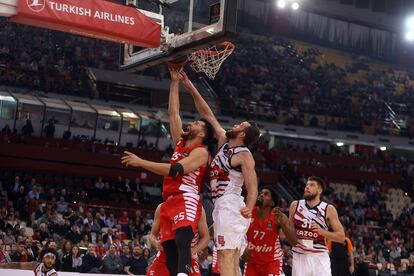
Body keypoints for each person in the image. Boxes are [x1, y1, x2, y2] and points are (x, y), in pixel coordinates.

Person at [121, 68, 214, 276]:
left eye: (197, 123)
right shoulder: (180, 145)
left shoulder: (201, 152)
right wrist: (174, 82)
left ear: (201, 134)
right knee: (170, 251)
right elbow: (173, 113)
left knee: (183, 240)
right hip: (169, 201)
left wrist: (140, 162)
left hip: (186, 198)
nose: (192, 122)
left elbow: (175, 170)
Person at [182, 71, 260, 276]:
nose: (235, 125)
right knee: (232, 259)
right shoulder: (224, 141)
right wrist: (190, 87)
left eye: (240, 125)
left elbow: (252, 186)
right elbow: (207, 114)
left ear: (242, 134)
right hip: (222, 206)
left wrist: (250, 207)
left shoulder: (244, 154)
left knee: (226, 256)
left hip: (231, 204)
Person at [289, 176, 345, 276]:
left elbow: (341, 237)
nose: (307, 187)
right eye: (306, 185)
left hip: (319, 256)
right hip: (299, 256)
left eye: (311, 185)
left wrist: (321, 231)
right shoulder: (295, 205)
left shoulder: (328, 209)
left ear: (319, 190)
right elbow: (287, 232)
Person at [243, 186, 298, 276]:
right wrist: (242, 246)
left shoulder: (277, 216)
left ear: (272, 203)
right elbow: (236, 231)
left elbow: (294, 241)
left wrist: (283, 223)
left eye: (266, 194)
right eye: (260, 193)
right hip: (252, 262)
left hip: (272, 262)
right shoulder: (248, 212)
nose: (261, 195)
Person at [147, 203, 210, 276]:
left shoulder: (197, 207)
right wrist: (156, 243)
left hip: (188, 256)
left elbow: (206, 237)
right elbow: (152, 235)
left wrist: (194, 250)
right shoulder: (162, 207)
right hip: (165, 256)